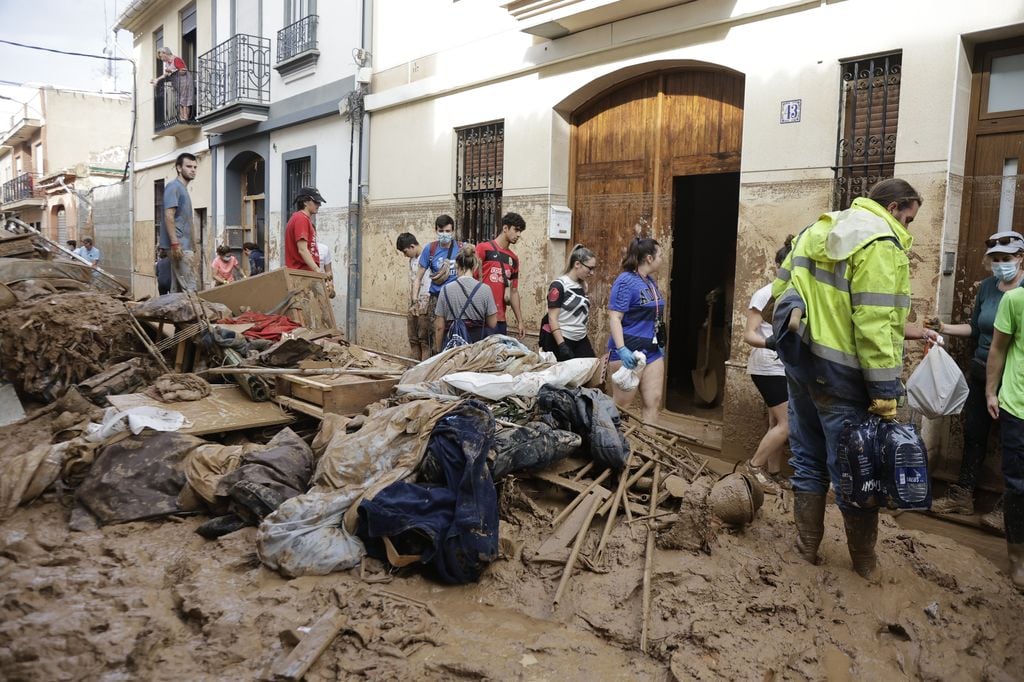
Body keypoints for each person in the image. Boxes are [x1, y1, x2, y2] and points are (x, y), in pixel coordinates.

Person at [771, 178, 940, 580]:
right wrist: (885, 392)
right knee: (856, 472)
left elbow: (779, 291)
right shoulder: (880, 243)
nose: (909, 227)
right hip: (844, 378)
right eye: (910, 218)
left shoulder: (818, 228)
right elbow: (876, 325)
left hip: (802, 368)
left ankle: (805, 550)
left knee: (808, 460)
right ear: (895, 207)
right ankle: (864, 565)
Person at [927, 230, 1024, 530]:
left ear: (1021, 258)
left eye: (1005, 259)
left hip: (1013, 379)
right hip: (982, 371)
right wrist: (942, 327)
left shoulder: (1020, 295)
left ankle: (1007, 508)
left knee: (1014, 446)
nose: (999, 265)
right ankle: (963, 495)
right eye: (995, 260)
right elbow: (975, 329)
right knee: (974, 434)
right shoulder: (987, 288)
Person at [739, 237, 794, 495]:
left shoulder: (796, 295)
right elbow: (749, 334)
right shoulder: (765, 294)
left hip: (785, 368)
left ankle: (773, 472)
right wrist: (771, 343)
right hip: (767, 367)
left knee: (776, 422)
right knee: (787, 424)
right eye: (787, 265)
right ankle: (753, 466)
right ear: (778, 266)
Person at [985, 277, 1024, 592]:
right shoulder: (1015, 300)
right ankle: (1017, 561)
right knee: (1019, 486)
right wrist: (990, 392)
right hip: (1018, 407)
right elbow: (997, 348)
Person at [607, 238, 666, 424]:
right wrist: (622, 349)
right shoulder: (625, 281)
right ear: (649, 258)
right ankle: (612, 448)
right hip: (629, 349)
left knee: (653, 401)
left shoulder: (650, 281)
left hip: (652, 350)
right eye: (660, 255)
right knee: (621, 408)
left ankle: (649, 451)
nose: (662, 258)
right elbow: (615, 317)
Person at [413, 215, 463, 353]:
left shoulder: (461, 248)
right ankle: (436, 359)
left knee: (456, 332)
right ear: (436, 230)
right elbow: (418, 277)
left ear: (452, 231)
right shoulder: (430, 249)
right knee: (435, 334)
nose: (444, 234)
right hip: (436, 298)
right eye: (441, 231)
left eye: (447, 231)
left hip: (456, 298)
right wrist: (414, 300)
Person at [433, 245, 497, 352]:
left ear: (457, 265)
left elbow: (439, 327)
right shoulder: (486, 290)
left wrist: (439, 351)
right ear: (475, 266)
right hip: (476, 349)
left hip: (452, 349)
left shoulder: (445, 290)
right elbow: (493, 323)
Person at [540, 244, 597, 360]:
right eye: (590, 268)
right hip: (563, 338)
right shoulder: (559, 285)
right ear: (577, 264)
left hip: (581, 338)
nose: (592, 273)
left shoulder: (583, 286)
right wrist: (562, 345)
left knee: (591, 367)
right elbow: (552, 318)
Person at [476, 212, 526, 337]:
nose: (518, 235)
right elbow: (471, 279)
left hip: (500, 319)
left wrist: (520, 321)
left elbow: (514, 291)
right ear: (505, 228)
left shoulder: (513, 259)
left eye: (520, 231)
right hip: (481, 317)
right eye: (516, 230)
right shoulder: (483, 248)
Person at [161, 152, 199, 292]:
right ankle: (195, 313)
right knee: (190, 287)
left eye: (195, 167)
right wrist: (175, 243)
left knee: (178, 289)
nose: (193, 170)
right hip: (179, 246)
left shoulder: (182, 189)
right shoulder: (174, 187)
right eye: (189, 166)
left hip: (183, 245)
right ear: (179, 168)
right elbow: (168, 216)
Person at [397, 232, 432, 361]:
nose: (405, 255)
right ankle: (414, 365)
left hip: (426, 302)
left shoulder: (429, 257)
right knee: (413, 337)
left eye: (405, 252)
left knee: (424, 339)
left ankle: (423, 369)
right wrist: (413, 301)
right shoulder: (412, 260)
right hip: (414, 302)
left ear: (412, 246)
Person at [284, 187, 325, 272]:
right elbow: (302, 249)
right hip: (302, 273)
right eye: (316, 202)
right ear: (305, 202)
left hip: (301, 273)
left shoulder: (300, 218)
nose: (319, 205)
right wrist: (317, 270)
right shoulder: (301, 219)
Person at [152, 47, 193, 123]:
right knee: (178, 100)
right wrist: (157, 80)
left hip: (184, 81)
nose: (161, 58)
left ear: (165, 53)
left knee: (185, 100)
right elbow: (165, 75)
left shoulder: (176, 59)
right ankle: (181, 117)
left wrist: (172, 71)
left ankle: (185, 118)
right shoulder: (167, 64)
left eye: (161, 56)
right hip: (177, 83)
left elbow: (183, 71)